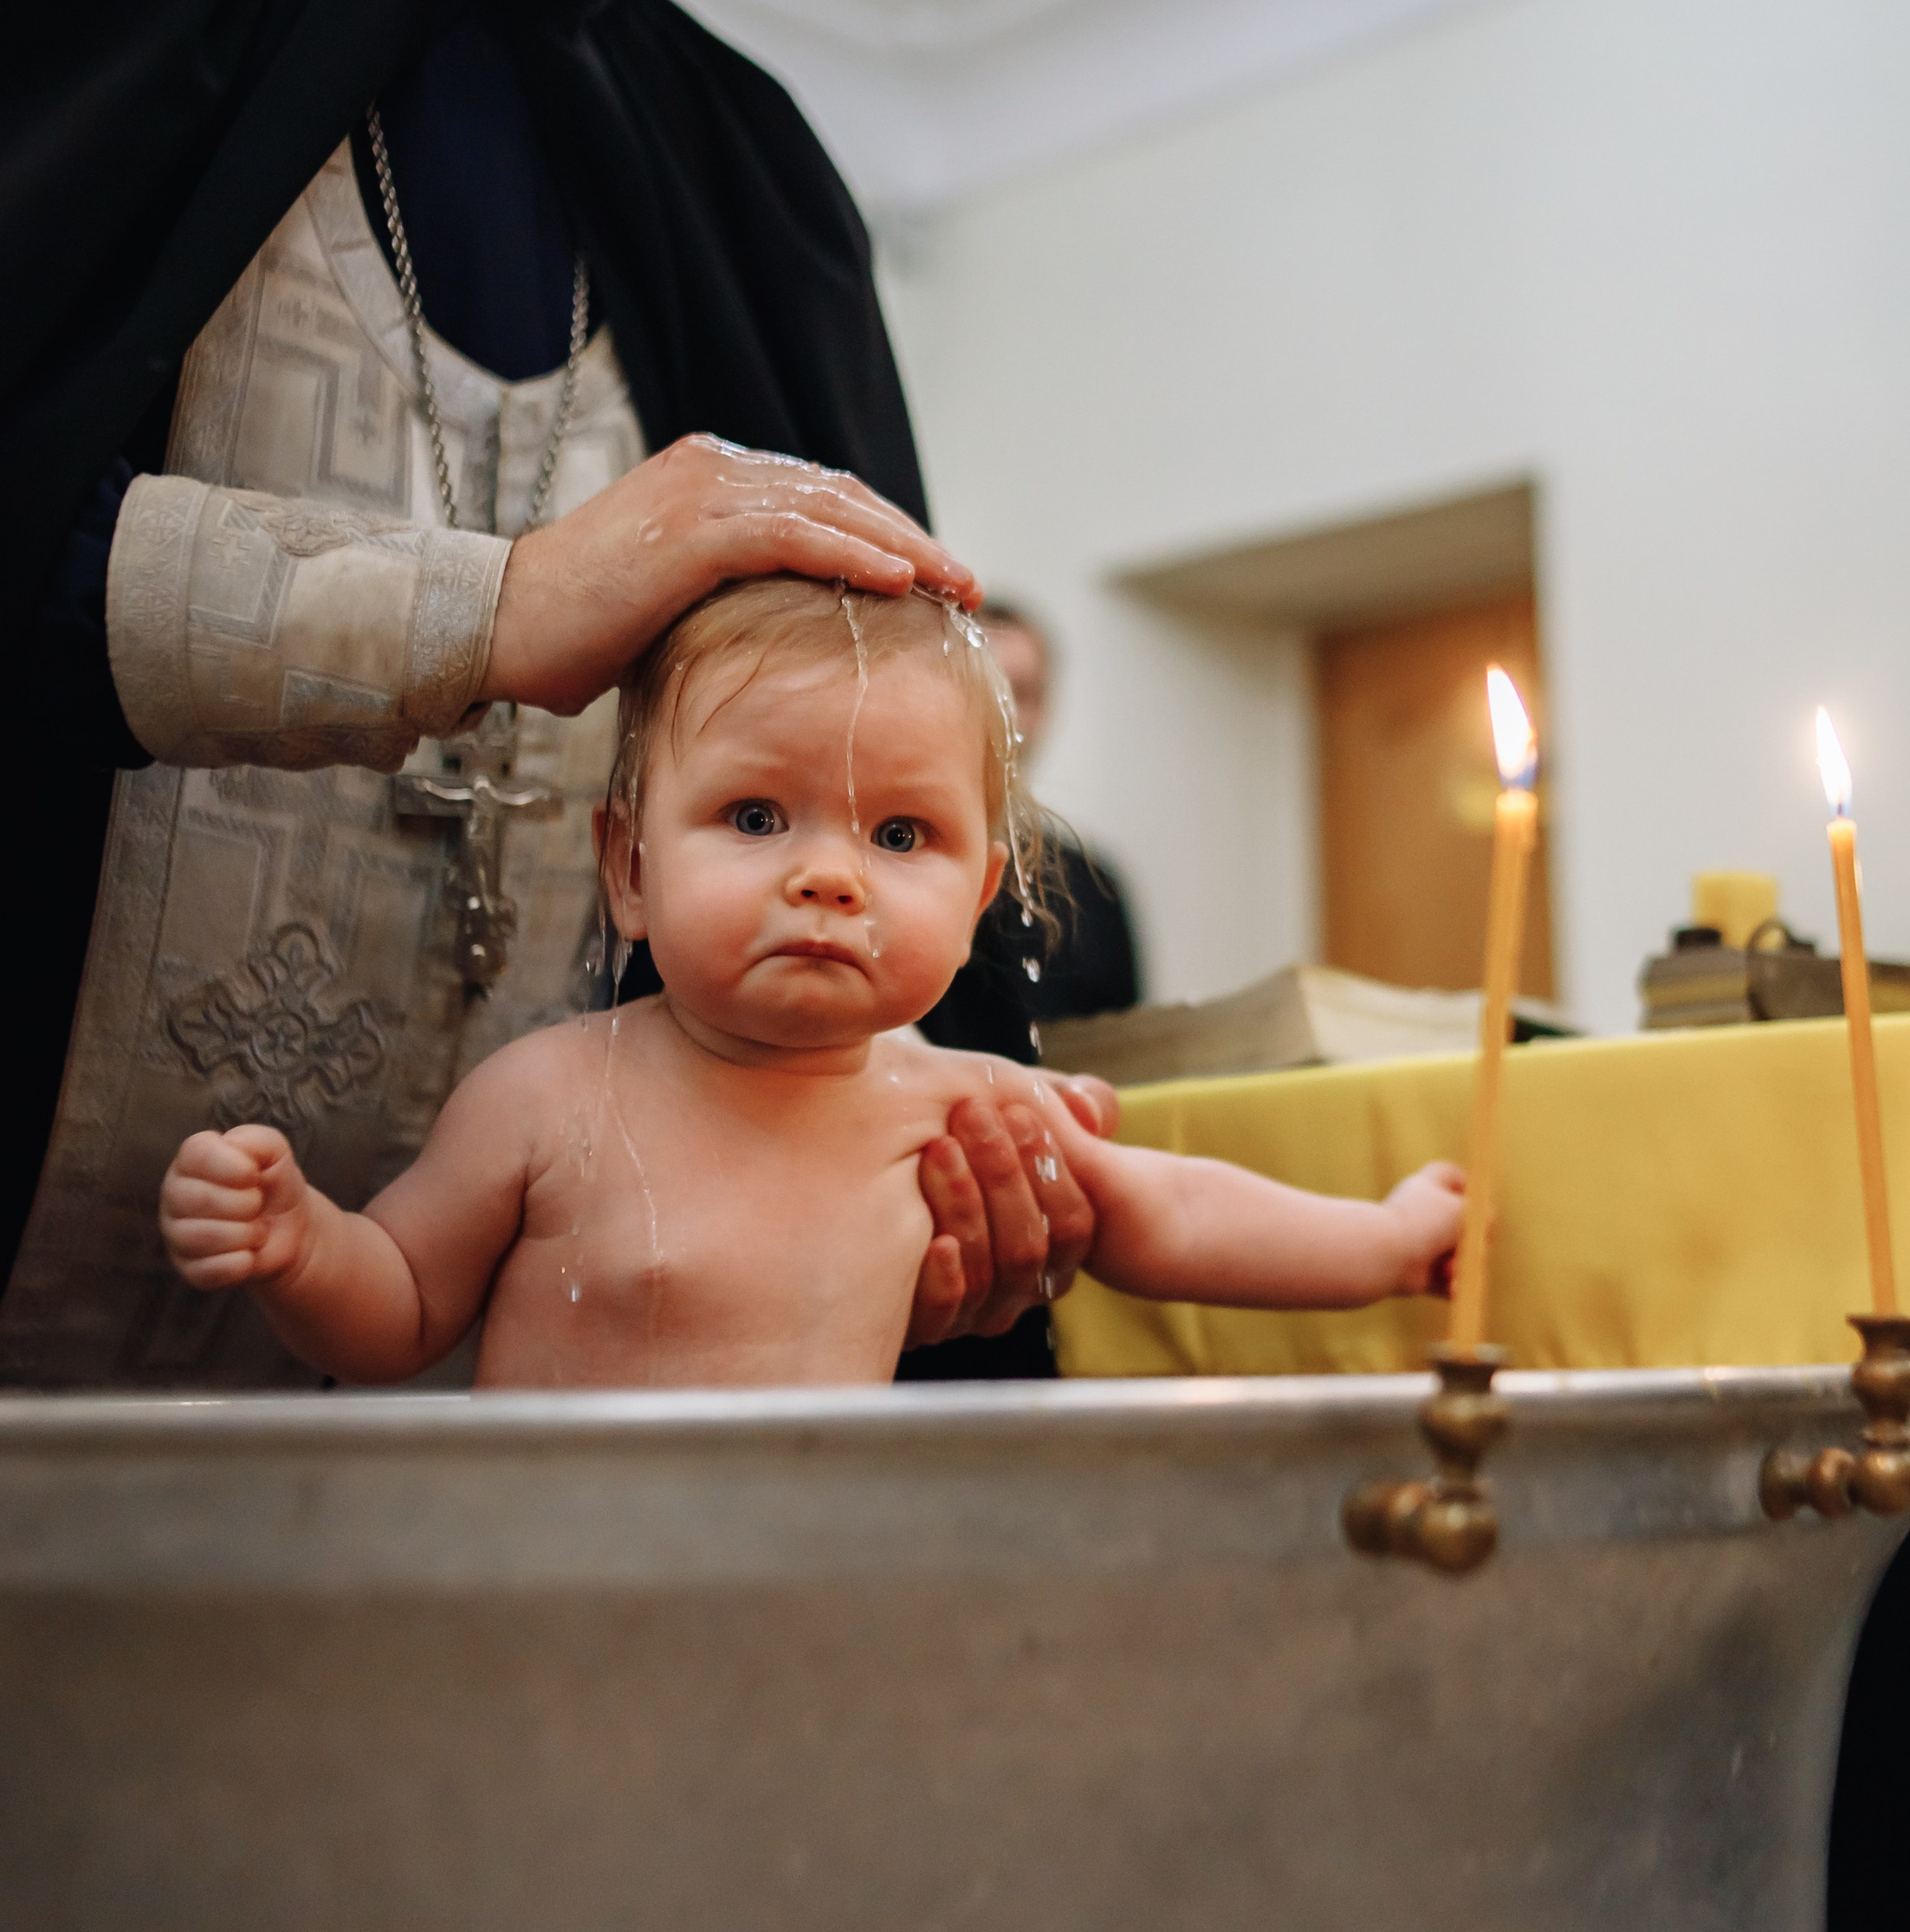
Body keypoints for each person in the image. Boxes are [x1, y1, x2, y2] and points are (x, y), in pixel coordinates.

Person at [1, 0, 1088, 1384]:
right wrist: (486, 612)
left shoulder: (748, 177)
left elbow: (875, 790)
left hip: (520, 1503)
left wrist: (936, 1211)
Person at [156, 580, 1466, 1383]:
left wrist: (1388, 1243)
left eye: (899, 834)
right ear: (628, 868)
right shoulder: (544, 1096)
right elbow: (400, 1308)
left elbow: (1172, 1209)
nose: (831, 876)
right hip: (544, 1588)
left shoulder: (964, 1106)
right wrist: (302, 1246)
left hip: (800, 1594)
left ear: (979, 899)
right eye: (755, 817)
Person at [968, 598, 1144, 1027]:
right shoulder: (895, 860)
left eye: (1022, 693)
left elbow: (1126, 1042)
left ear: (1047, 707)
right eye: (987, 689)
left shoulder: (1093, 883)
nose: (1007, 716)